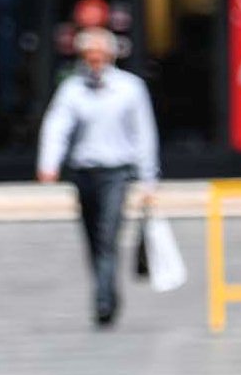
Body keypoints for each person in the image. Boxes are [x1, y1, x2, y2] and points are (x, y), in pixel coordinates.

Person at [35, 27, 160, 324]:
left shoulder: (131, 88)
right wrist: (48, 163)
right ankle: (107, 289)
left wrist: (148, 178)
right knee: (92, 236)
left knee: (108, 234)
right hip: (84, 172)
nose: (94, 61)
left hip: (116, 172)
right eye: (89, 55)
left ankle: (103, 300)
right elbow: (57, 126)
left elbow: (144, 134)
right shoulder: (72, 89)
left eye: (99, 55)